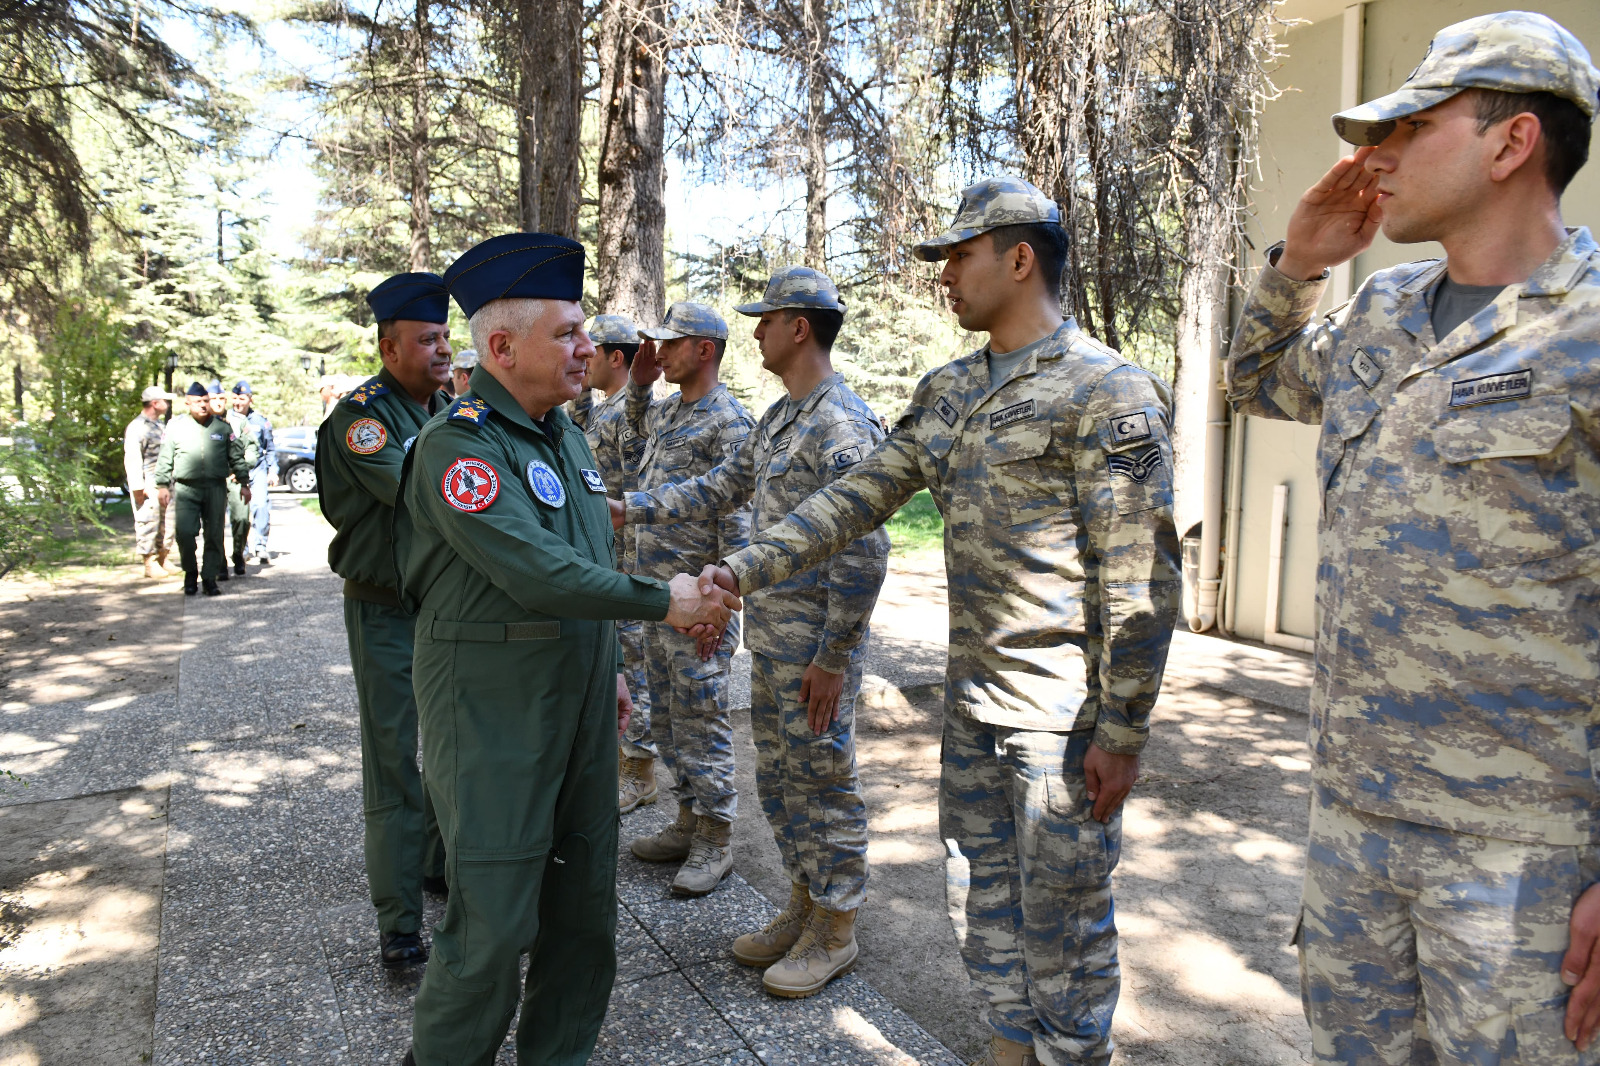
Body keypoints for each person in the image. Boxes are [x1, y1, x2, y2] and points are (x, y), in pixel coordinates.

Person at [701, 177, 1180, 1066]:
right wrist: (738, 568)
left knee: (1064, 922)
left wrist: (1124, 725)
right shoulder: (950, 389)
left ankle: (1072, 1055)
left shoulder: (1107, 390)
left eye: (960, 256)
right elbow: (856, 499)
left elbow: (1140, 576)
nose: (946, 276)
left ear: (1020, 258)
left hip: (1060, 724)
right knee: (979, 902)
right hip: (973, 706)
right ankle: (1008, 1045)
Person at [1226, 13, 1600, 1064]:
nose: (1370, 158)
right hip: (1350, 821)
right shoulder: (1382, 311)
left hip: (1521, 857)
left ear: (1510, 142)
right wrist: (1296, 266)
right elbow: (1254, 382)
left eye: (1407, 128)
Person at [393, 232, 740, 1066]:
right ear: (502, 347)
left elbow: (589, 564)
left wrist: (615, 673)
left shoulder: (567, 439)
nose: (592, 349)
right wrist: (669, 601)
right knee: (494, 925)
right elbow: (540, 573)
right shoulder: (460, 446)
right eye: (570, 334)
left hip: (582, 710)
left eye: (586, 333)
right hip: (495, 722)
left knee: (584, 916)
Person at [613, 266, 890, 997]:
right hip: (774, 639)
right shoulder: (781, 417)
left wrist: (834, 656)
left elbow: (865, 549)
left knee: (824, 782)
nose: (757, 332)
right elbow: (717, 489)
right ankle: (803, 904)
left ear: (800, 328)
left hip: (815, 649)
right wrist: (629, 510)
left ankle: (837, 928)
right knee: (783, 779)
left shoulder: (841, 422)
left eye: (766, 320)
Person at [316, 272, 455, 973]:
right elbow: (423, 490)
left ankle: (434, 865)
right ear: (389, 345)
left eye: (445, 337)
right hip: (385, 611)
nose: (442, 350)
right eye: (426, 339)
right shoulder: (362, 416)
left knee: (453, 750)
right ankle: (400, 923)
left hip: (442, 607)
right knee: (395, 762)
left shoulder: (448, 405)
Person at [622, 301, 755, 898]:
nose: (660, 352)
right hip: (658, 601)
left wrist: (719, 609)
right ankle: (687, 818)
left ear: (706, 349)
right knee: (670, 725)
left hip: (698, 608)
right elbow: (629, 448)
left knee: (702, 726)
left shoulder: (729, 422)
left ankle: (716, 840)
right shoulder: (672, 412)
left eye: (672, 344)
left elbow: (738, 521)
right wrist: (639, 388)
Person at [582, 312, 659, 814]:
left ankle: (640, 771)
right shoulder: (599, 411)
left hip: (627, 553)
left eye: (591, 348)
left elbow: (636, 483)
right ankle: (623, 761)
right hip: (607, 554)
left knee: (634, 664)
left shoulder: (627, 415)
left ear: (616, 357)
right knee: (622, 659)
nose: (581, 356)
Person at [153, 382, 252, 596]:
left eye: (206, 401)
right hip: (187, 489)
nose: (203, 405)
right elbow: (165, 458)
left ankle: (209, 579)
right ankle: (190, 574)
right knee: (185, 533)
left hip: (215, 487)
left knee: (214, 535)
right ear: (188, 403)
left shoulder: (222, 428)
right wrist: (162, 485)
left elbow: (236, 457)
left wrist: (244, 483)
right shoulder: (177, 428)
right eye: (198, 402)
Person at [208, 382, 258, 580]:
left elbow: (252, 447)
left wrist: (243, 468)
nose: (218, 402)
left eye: (221, 398)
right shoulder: (202, 424)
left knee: (241, 519)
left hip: (235, 477)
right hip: (214, 480)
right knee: (215, 523)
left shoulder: (238, 421)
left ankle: (238, 554)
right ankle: (220, 563)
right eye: (214, 399)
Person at [124, 385, 175, 579]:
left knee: (167, 522)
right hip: (149, 483)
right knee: (148, 521)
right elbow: (133, 458)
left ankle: (163, 556)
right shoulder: (138, 427)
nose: (167, 404)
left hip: (166, 483)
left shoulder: (160, 426)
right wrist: (138, 487)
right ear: (155, 403)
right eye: (165, 400)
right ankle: (149, 561)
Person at [231, 381, 276, 565]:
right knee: (239, 513)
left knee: (261, 506)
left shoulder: (260, 421)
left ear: (250, 399)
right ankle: (243, 549)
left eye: (242, 398)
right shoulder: (227, 420)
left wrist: (273, 471)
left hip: (257, 469)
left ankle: (261, 546)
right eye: (235, 398)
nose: (238, 402)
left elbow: (270, 448)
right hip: (235, 472)